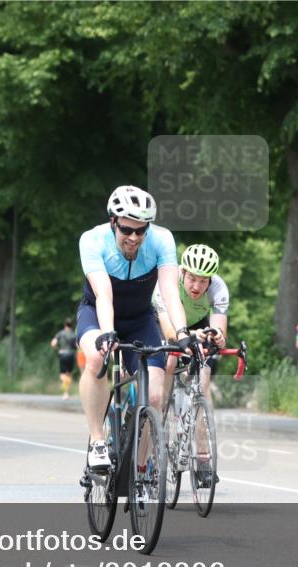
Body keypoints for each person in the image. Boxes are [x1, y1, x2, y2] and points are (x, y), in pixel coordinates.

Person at [77, 185, 193, 496]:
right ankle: (98, 442)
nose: (134, 237)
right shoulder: (92, 240)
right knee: (97, 359)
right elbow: (103, 293)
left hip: (141, 319)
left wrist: (181, 334)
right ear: (113, 221)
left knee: (154, 397)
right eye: (127, 229)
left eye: (141, 230)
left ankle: (140, 468)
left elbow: (169, 292)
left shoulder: (162, 240)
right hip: (98, 314)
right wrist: (106, 332)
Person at [153, 244, 229, 403]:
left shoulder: (218, 288)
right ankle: (160, 411)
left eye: (203, 281)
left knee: (204, 374)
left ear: (211, 279)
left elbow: (219, 329)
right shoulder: (168, 282)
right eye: (192, 278)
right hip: (164, 321)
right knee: (170, 359)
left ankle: (203, 424)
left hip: (196, 323)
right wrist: (192, 335)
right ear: (183, 272)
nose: (196, 286)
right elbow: (169, 333)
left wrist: (219, 336)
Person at [50, 318, 79, 399]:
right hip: (71, 354)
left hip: (62, 354)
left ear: (64, 325)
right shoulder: (74, 334)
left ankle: (65, 393)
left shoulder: (60, 333)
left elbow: (53, 343)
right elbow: (78, 345)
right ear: (71, 325)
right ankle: (67, 393)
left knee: (63, 375)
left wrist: (58, 349)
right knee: (69, 374)